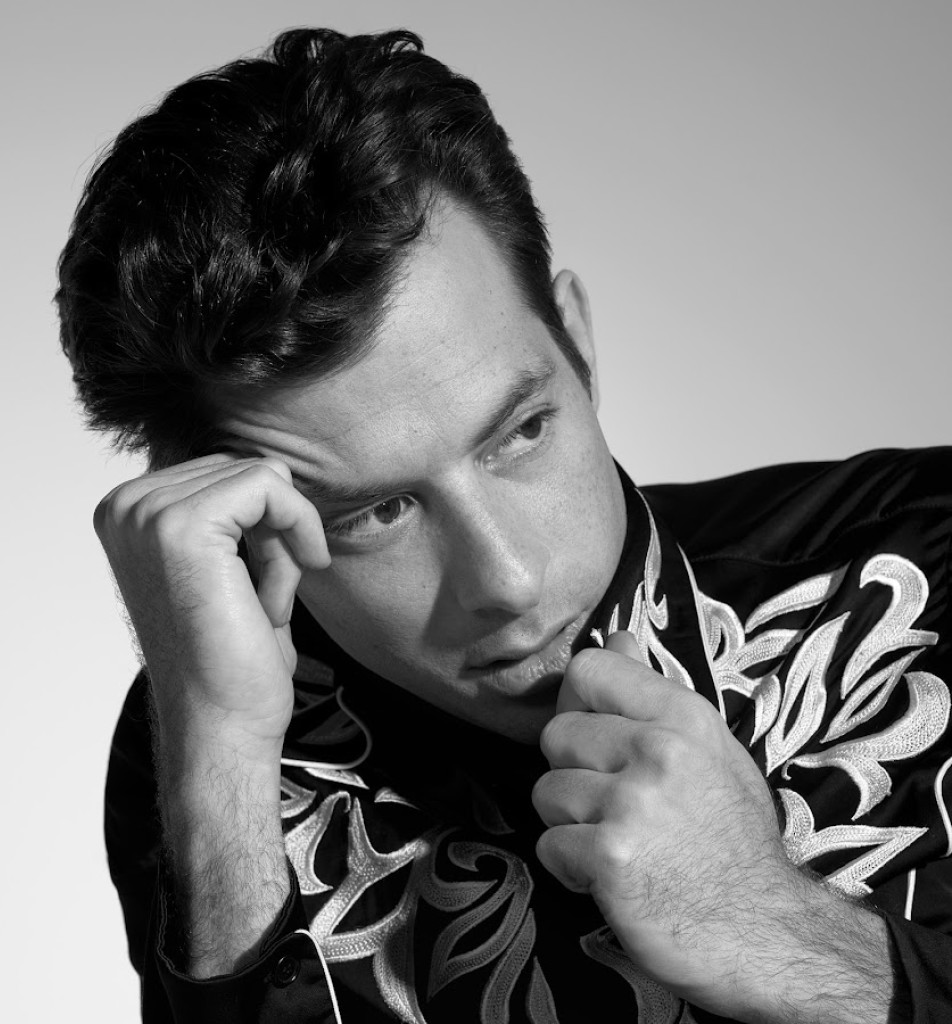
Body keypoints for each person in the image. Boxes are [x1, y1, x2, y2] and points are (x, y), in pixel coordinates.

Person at [57, 28, 951, 1024]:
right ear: (247, 520)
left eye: (520, 433)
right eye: (377, 511)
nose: (509, 579)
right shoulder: (215, 729)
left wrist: (772, 926)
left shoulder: (930, 551)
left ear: (578, 343)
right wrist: (218, 756)